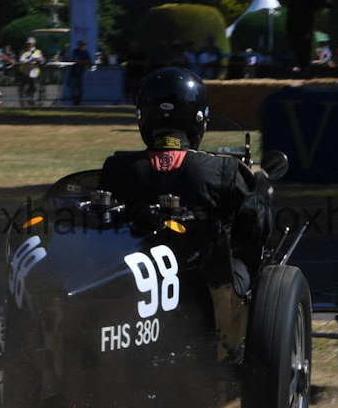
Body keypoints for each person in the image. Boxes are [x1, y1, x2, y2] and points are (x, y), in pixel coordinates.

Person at [99, 67, 273, 298]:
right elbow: (257, 230)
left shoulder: (116, 167)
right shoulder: (223, 169)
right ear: (199, 118)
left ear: (144, 116)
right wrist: (262, 189)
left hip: (129, 282)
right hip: (207, 287)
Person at [66, 39, 89, 106]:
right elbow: (75, 60)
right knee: (74, 88)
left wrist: (81, 62)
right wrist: (82, 62)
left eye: (84, 44)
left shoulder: (86, 52)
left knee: (80, 88)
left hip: (80, 72)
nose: (83, 46)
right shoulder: (75, 51)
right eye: (81, 44)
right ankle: (74, 102)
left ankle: (78, 102)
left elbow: (88, 61)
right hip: (74, 72)